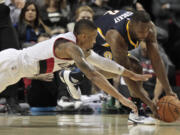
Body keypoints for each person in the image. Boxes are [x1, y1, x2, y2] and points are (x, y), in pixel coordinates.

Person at [0, 19, 152, 113]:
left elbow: (103, 62)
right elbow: (94, 75)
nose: (94, 43)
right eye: (93, 39)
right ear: (83, 36)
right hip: (9, 64)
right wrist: (121, 98)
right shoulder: (70, 47)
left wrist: (129, 74)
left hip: (15, 72)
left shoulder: (80, 48)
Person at [92, 10, 177, 124]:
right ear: (131, 26)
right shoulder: (116, 36)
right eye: (140, 32)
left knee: (137, 68)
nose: (143, 35)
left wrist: (168, 90)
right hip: (95, 44)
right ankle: (80, 74)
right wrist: (149, 103)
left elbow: (156, 60)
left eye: (146, 31)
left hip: (111, 40)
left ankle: (136, 112)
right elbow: (126, 74)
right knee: (124, 70)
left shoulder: (149, 28)